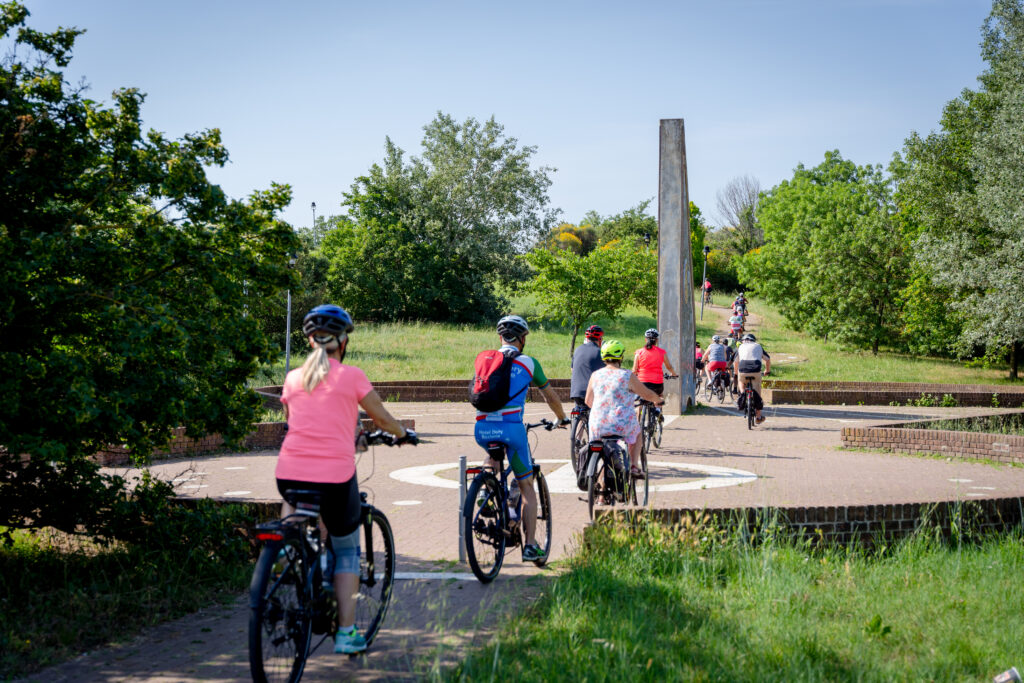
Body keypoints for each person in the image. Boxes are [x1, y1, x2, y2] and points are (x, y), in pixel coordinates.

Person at [277, 304, 418, 655]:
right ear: (342, 342)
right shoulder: (351, 375)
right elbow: (382, 419)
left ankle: (286, 555)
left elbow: (295, 419)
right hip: (334, 479)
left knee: (295, 521)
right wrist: (402, 433)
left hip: (288, 475)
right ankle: (346, 633)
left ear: (311, 341)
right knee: (346, 549)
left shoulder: (293, 378)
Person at [474, 315, 569, 563]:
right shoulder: (529, 363)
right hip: (512, 430)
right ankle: (530, 545)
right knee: (526, 485)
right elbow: (550, 396)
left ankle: (485, 491)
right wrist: (561, 418)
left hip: (482, 428)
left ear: (500, 337)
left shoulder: (486, 360)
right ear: (522, 338)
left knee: (492, 455)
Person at [585, 339, 664, 479]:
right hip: (621, 424)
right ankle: (634, 466)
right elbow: (646, 393)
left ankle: (601, 494)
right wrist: (658, 400)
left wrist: (602, 410)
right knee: (638, 433)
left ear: (603, 357)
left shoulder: (595, 375)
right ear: (620, 357)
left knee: (604, 454)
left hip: (597, 424)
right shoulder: (627, 375)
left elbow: (588, 401)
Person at [632, 329, 678, 414]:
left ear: (645, 339)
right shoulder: (661, 352)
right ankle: (657, 410)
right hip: (657, 383)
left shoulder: (639, 353)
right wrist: (673, 374)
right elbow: (669, 366)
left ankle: (639, 422)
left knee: (640, 402)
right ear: (657, 340)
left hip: (642, 383)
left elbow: (634, 370)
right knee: (659, 396)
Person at [734, 332, 771, 424]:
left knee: (740, 380)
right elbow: (767, 359)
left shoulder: (741, 347)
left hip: (743, 369)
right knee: (757, 393)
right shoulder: (758, 346)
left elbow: (735, 362)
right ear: (753, 340)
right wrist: (767, 371)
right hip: (756, 369)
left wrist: (736, 373)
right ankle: (758, 417)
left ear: (744, 340)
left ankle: (743, 394)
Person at [570, 325, 605, 409]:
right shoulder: (600, 352)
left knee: (580, 413)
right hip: (591, 393)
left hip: (575, 391)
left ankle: (578, 421)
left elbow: (572, 369)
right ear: (600, 339)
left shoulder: (578, 349)